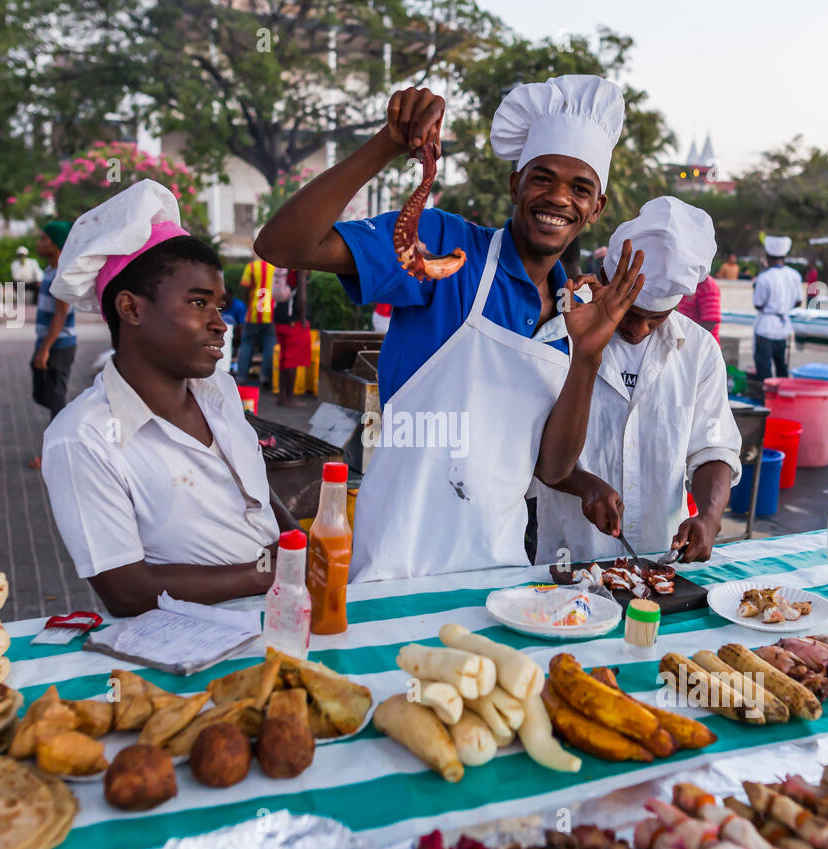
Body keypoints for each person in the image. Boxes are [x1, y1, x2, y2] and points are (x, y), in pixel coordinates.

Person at [254, 75, 644, 582]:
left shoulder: (579, 314)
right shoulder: (447, 248)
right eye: (542, 178)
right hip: (397, 562)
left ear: (596, 208)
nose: (558, 198)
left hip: (500, 568)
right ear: (515, 185)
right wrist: (386, 146)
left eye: (580, 188)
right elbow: (285, 246)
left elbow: (551, 469)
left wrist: (588, 357)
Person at [42, 180, 300, 615]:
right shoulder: (82, 438)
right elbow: (127, 591)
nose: (220, 323)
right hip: (184, 648)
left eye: (219, 305)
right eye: (198, 303)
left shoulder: (220, 389)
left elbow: (255, 488)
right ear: (132, 309)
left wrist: (299, 546)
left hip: (282, 614)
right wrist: (275, 571)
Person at [534, 196, 741, 562]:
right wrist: (583, 484)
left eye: (655, 318)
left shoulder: (699, 351)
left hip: (659, 560)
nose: (638, 328)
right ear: (602, 280)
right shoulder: (557, 337)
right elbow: (529, 447)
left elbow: (713, 447)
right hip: (567, 558)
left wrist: (709, 517)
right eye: (630, 312)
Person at [27, 220, 76, 470]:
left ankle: (58, 454)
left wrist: (45, 349)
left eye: (44, 239)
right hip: (47, 341)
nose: (39, 243)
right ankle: (70, 424)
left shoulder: (63, 274)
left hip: (59, 344)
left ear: (56, 244)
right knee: (45, 394)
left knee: (56, 398)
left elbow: (61, 314)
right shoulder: (48, 270)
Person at [751, 235, 800, 379]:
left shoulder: (765, 277)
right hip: (783, 327)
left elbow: (758, 304)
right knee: (781, 366)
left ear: (767, 256)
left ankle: (765, 398)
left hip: (766, 327)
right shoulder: (794, 275)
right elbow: (798, 301)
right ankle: (782, 397)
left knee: (764, 368)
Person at [237, 254, 278, 388]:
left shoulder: (251, 267)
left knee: (247, 344)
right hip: (271, 314)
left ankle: (241, 377)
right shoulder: (277, 268)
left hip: (253, 314)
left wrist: (248, 304)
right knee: (269, 346)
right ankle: (265, 378)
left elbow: (244, 288)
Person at [274, 268, 312, 407]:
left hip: (280, 318)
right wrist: (302, 319)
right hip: (293, 319)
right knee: (292, 360)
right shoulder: (299, 267)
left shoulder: (284, 264)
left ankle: (282, 396)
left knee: (284, 358)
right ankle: (290, 397)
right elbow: (302, 294)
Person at [676, 271, 721, 343]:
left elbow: (710, 322)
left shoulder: (707, 286)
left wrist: (687, 338)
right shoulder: (689, 284)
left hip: (703, 347)